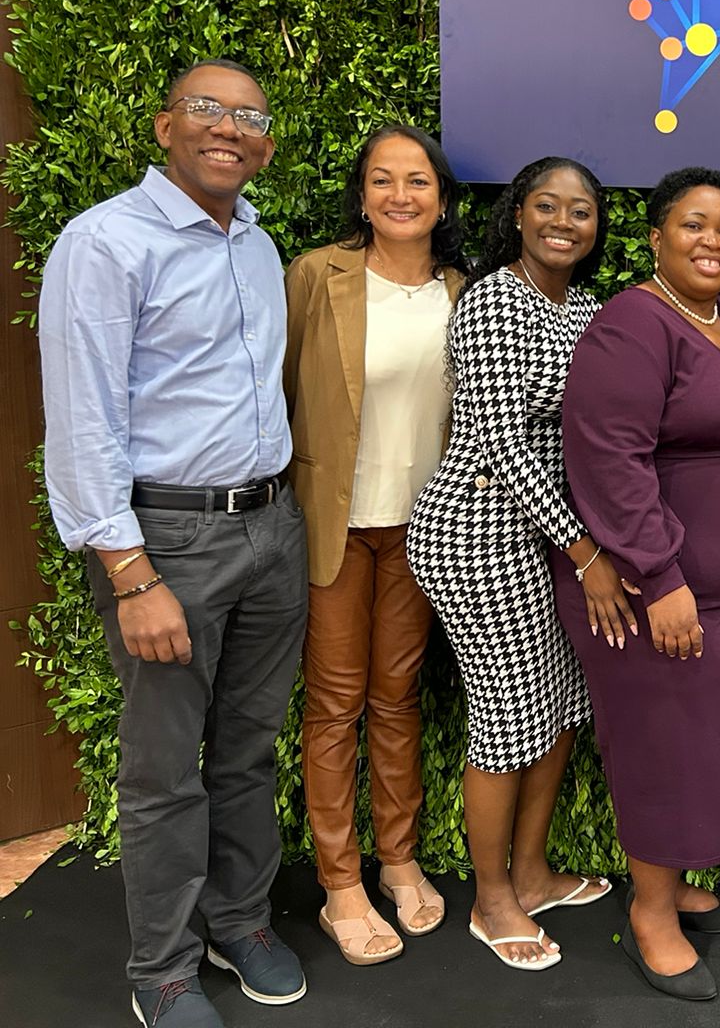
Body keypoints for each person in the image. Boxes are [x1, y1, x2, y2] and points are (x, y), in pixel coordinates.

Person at [40, 59, 308, 1028]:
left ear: (266, 145)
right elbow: (80, 424)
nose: (229, 127)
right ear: (165, 127)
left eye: (249, 116)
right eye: (207, 109)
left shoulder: (258, 247)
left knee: (248, 748)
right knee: (165, 767)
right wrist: (128, 571)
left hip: (272, 528)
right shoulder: (105, 243)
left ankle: (238, 920)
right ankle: (161, 964)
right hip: (168, 541)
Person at [553, 167, 720, 1002]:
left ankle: (676, 883)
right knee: (657, 743)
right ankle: (650, 916)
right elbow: (609, 458)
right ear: (656, 238)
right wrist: (659, 574)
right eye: (693, 225)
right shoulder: (631, 322)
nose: (714, 241)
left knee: (701, 740)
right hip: (662, 589)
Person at [405, 157, 632, 972]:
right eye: (547, 205)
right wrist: (589, 554)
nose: (564, 221)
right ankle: (491, 897)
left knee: (562, 703)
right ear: (520, 213)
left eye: (582, 209)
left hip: (552, 535)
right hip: (478, 530)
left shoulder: (589, 308)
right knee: (507, 716)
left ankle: (532, 874)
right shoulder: (495, 298)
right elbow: (501, 443)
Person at [283, 126, 467, 965]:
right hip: (338, 526)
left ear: (442, 197)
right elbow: (275, 394)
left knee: (397, 702)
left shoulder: (464, 292)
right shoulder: (318, 277)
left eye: (418, 180)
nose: (401, 194)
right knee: (335, 705)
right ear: (361, 194)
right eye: (383, 180)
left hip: (422, 531)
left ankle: (398, 860)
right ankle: (340, 884)